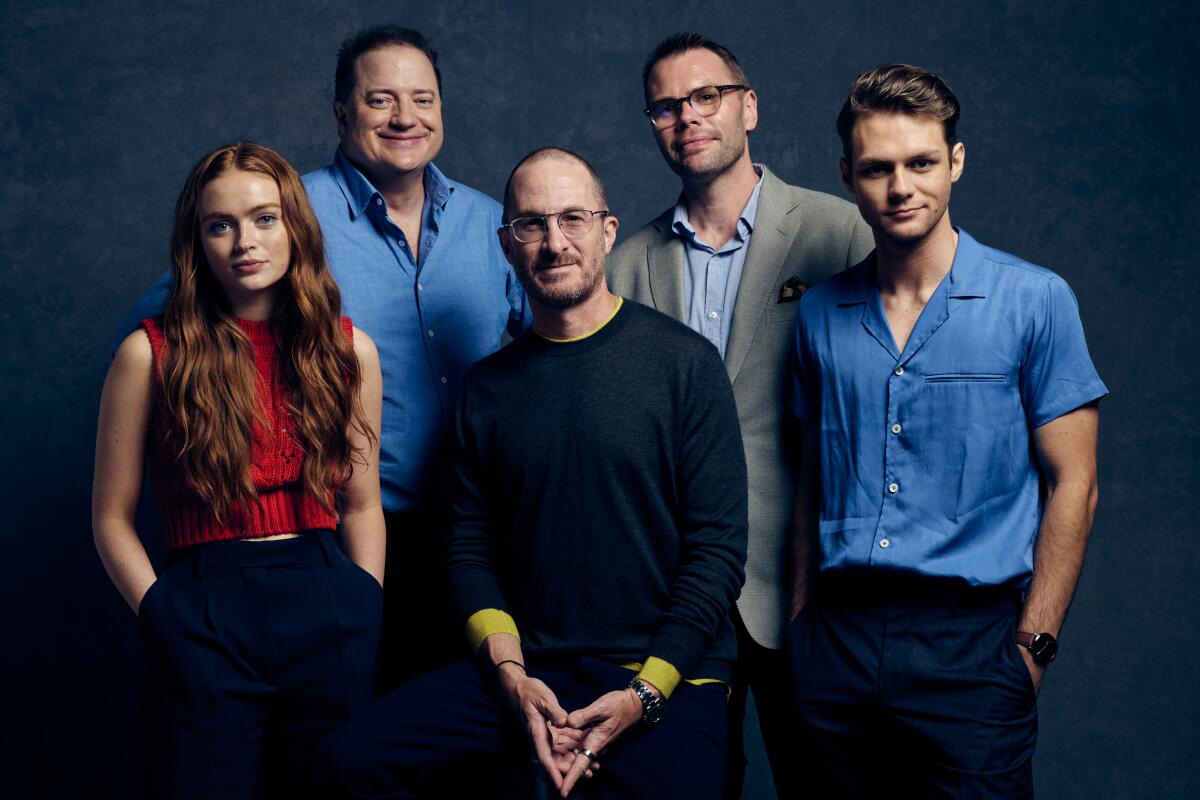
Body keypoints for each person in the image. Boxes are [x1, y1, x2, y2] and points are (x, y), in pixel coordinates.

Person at [318, 147, 748, 800]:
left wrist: (641, 694)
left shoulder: (684, 366)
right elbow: (467, 548)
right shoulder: (486, 389)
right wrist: (513, 678)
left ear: (607, 231)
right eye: (531, 225)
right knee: (347, 763)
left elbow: (716, 552)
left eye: (573, 219)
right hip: (531, 670)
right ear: (506, 245)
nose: (553, 242)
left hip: (662, 676)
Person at [115, 26, 529, 686]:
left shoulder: (492, 224)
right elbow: (182, 317)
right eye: (380, 100)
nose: (405, 118)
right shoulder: (283, 214)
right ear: (341, 113)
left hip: (479, 538)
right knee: (349, 756)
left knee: (480, 753)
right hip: (344, 540)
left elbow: (561, 345)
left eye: (422, 99)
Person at [787, 64, 1107, 798]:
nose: (901, 187)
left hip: (974, 646)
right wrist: (804, 625)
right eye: (878, 169)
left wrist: (1033, 647)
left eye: (921, 163)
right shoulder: (818, 314)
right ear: (847, 176)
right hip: (839, 641)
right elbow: (811, 478)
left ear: (955, 163)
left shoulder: (1035, 300)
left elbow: (1076, 485)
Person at [606, 32, 873, 798]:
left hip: (803, 583)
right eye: (665, 106)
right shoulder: (624, 266)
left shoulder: (842, 234)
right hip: (672, 590)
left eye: (706, 96)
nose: (687, 116)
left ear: (747, 106)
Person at [92, 142, 385, 798]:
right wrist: (162, 613)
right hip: (204, 607)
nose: (243, 241)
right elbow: (110, 518)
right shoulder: (149, 354)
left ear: (295, 229)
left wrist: (365, 601)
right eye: (219, 225)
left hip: (327, 604)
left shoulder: (348, 351)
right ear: (197, 242)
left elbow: (362, 504)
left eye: (264, 218)